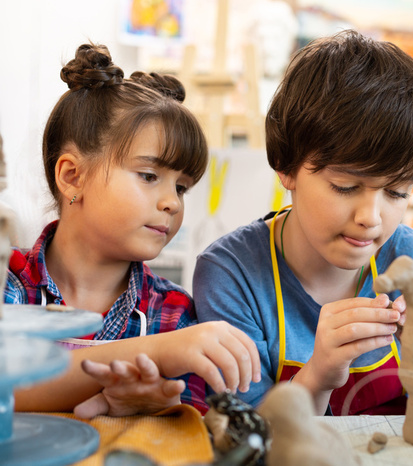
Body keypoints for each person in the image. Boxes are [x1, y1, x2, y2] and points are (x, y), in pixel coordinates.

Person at [193, 30, 413, 415]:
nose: (370, 218)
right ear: (286, 168)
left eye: (397, 193)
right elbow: (240, 437)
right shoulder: (233, 275)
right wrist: (317, 376)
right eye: (346, 186)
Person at [4, 43, 260, 417]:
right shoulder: (8, 284)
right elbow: (7, 388)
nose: (172, 202)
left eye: (181, 187)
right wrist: (155, 352)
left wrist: (161, 405)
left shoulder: (174, 315)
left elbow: (192, 424)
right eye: (149, 176)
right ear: (72, 176)